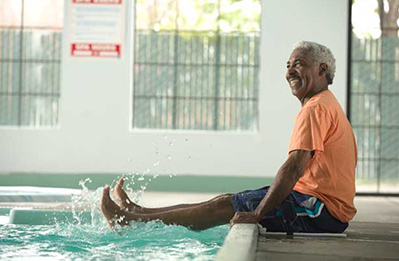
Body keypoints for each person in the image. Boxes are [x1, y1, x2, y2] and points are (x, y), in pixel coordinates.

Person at [100, 41, 357, 233]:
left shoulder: (315, 108)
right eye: (288, 66)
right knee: (225, 201)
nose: (290, 72)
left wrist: (257, 213)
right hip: (316, 203)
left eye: (298, 64)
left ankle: (131, 222)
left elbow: (293, 168)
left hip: (322, 212)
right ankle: (138, 213)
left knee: (222, 207)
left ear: (322, 69)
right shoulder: (324, 104)